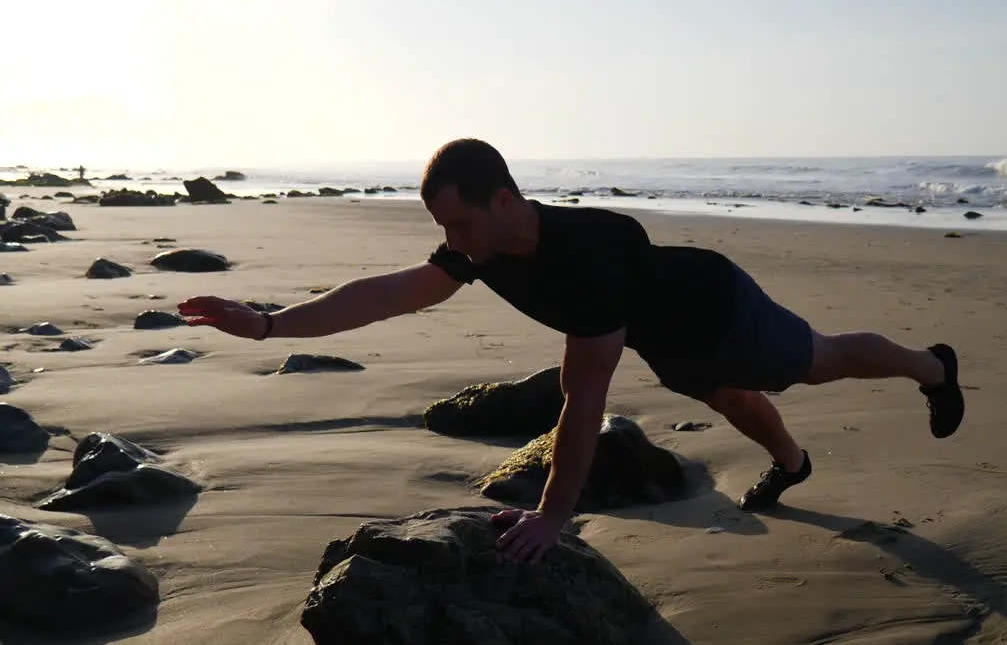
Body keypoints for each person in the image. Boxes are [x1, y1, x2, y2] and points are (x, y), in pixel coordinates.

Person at [178, 138, 964, 565]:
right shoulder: (484, 250)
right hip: (664, 334)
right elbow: (387, 294)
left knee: (817, 361)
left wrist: (554, 516)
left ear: (506, 200)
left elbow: (583, 394)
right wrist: (270, 326)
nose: (453, 244)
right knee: (724, 399)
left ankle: (933, 365)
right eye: (445, 229)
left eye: (461, 225)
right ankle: (794, 466)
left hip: (720, 310)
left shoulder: (585, 256)